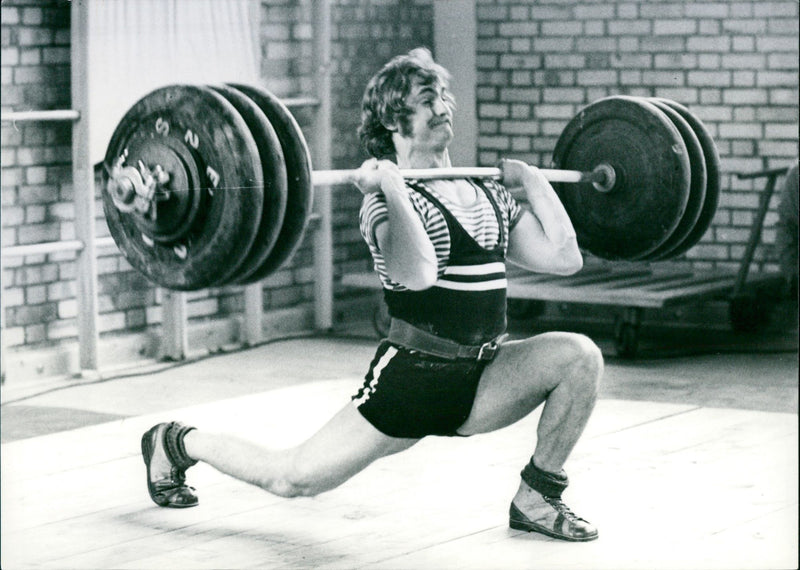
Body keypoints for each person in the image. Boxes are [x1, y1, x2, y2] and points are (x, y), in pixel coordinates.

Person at [142, 47, 603, 542]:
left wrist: (536, 186)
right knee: (292, 477)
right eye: (428, 99)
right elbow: (420, 273)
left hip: (483, 377)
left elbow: (564, 257)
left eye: (442, 94)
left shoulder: (486, 192)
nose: (443, 105)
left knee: (579, 356)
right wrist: (393, 188)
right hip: (410, 384)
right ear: (393, 121)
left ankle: (537, 496)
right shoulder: (380, 206)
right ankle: (177, 442)